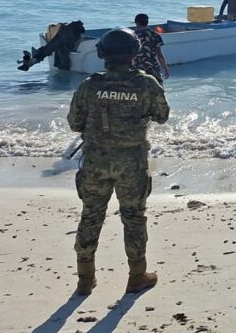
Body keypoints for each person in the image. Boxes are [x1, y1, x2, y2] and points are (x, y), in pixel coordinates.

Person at [67, 28, 169, 295]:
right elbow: (162, 115)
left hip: (95, 163)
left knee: (91, 216)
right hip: (132, 164)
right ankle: (137, 276)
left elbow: (74, 123)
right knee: (134, 217)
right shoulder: (146, 84)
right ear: (135, 54)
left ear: (101, 54)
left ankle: (85, 279)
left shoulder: (89, 86)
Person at [133, 13, 170, 85]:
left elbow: (130, 55)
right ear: (147, 22)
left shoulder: (133, 36)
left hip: (137, 68)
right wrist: (165, 68)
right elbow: (159, 55)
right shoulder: (155, 35)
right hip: (153, 67)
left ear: (137, 23)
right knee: (158, 88)